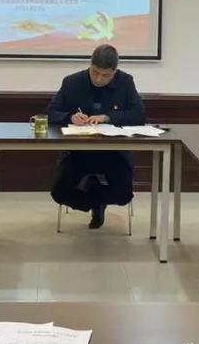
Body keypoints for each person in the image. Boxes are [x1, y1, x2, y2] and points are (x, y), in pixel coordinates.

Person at [47, 44, 145, 228]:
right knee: (60, 191)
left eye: (105, 75)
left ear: (114, 71)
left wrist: (108, 118)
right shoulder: (72, 82)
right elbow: (52, 112)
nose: (99, 79)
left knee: (122, 193)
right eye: (95, 72)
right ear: (90, 65)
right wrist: (70, 117)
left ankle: (98, 203)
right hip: (77, 153)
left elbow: (138, 114)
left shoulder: (125, 82)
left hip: (114, 153)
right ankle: (95, 203)